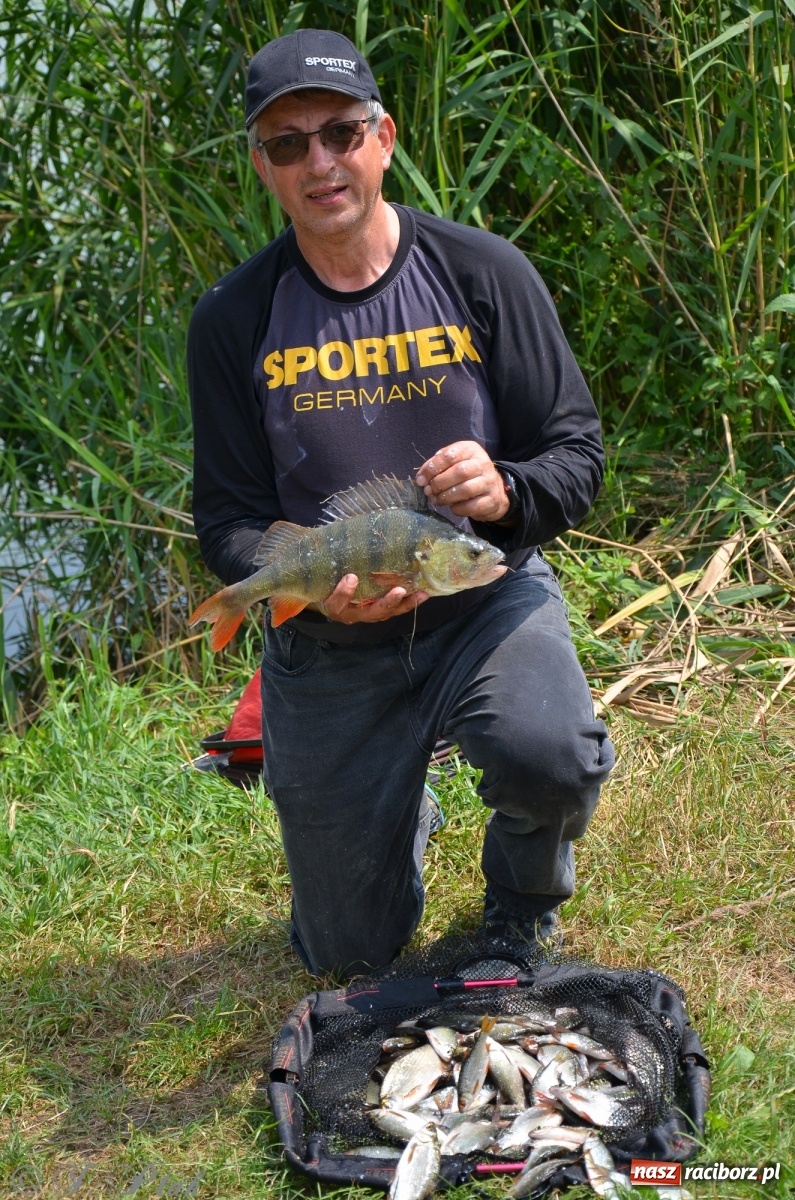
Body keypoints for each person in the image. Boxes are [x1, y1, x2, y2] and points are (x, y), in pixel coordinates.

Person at [188, 28, 614, 978]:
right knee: (346, 952)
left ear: (382, 135)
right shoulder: (232, 318)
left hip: (477, 596)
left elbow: (576, 455)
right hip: (328, 637)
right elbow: (225, 519)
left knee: (547, 753)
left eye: (339, 132)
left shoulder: (482, 272)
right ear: (263, 166)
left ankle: (519, 903)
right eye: (288, 144)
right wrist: (305, 584)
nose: (320, 162)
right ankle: (393, 804)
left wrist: (506, 493)